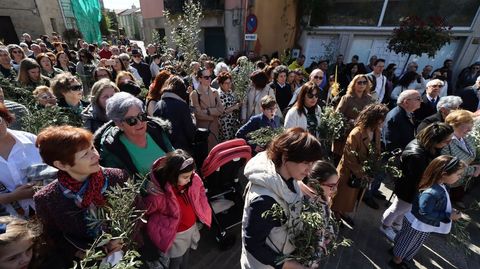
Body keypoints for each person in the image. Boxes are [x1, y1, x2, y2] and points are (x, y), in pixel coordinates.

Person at [33, 125, 129, 268]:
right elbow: (53, 237)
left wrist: (124, 238)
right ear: (62, 164)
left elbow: (137, 211)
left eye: (92, 148)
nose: (96, 155)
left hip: (129, 255)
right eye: (85, 154)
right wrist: (78, 252)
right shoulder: (47, 199)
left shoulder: (117, 177)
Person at [241, 127, 322, 269]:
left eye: (312, 163)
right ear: (285, 157)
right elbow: (253, 244)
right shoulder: (265, 201)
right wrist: (289, 264)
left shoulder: (285, 173)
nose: (310, 170)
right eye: (306, 163)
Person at [381, 123, 453, 242]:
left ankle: (396, 226)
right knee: (397, 208)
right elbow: (419, 177)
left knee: (404, 210)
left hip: (414, 188)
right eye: (447, 141)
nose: (449, 143)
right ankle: (385, 226)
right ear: (434, 140)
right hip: (408, 189)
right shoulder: (417, 155)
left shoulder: (429, 147)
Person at [389, 155, 464, 268]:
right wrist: (448, 215)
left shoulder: (442, 185)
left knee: (411, 240)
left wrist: (447, 209)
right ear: (444, 174)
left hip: (423, 223)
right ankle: (396, 260)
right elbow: (425, 212)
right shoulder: (431, 191)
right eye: (458, 174)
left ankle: (399, 252)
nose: (460, 177)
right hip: (417, 223)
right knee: (407, 241)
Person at [143, 150, 212, 269]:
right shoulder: (160, 194)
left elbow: (200, 191)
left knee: (186, 253)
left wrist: (203, 209)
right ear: (173, 174)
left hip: (190, 228)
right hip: (176, 234)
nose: (189, 179)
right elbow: (147, 211)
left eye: (191, 175)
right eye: (185, 177)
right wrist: (145, 188)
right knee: (176, 260)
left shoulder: (192, 180)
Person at [331, 104, 389, 226]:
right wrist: (360, 173)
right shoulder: (356, 133)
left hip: (363, 172)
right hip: (350, 171)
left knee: (353, 196)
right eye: (381, 119)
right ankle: (335, 212)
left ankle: (343, 212)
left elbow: (377, 150)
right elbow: (349, 157)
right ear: (374, 118)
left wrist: (374, 168)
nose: (383, 122)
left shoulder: (376, 131)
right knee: (342, 195)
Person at [95, 92, 174, 176]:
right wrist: (144, 186)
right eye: (131, 120)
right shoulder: (113, 148)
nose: (139, 123)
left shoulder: (156, 129)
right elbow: (119, 182)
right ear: (119, 124)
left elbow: (174, 156)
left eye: (142, 116)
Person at [0, 104, 43, 218]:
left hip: (49, 208)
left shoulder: (31, 140)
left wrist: (41, 186)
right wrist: (13, 196)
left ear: (5, 119)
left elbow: (57, 169)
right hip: (11, 223)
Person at [298, 161, 339, 265]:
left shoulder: (322, 198)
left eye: (337, 185)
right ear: (316, 183)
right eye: (332, 185)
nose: (335, 189)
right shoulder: (304, 204)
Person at [441, 110, 480, 208]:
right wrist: (473, 170)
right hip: (449, 183)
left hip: (461, 182)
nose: (470, 130)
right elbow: (449, 167)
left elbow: (470, 156)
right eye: (467, 127)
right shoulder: (445, 142)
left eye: (471, 126)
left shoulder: (466, 137)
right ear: (454, 125)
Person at [332, 74, 375, 162]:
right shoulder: (347, 98)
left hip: (361, 133)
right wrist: (349, 120)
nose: (362, 84)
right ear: (354, 84)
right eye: (359, 82)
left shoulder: (369, 99)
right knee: (340, 159)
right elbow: (337, 115)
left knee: (354, 159)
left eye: (364, 82)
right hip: (346, 132)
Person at [153, 76, 196, 153]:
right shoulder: (182, 106)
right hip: (182, 152)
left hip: (165, 151)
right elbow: (190, 132)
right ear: (181, 90)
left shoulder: (158, 105)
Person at [190, 68, 225, 151]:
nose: (209, 79)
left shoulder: (215, 92)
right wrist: (212, 116)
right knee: (204, 152)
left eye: (210, 77)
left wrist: (208, 111)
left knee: (214, 151)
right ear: (200, 79)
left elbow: (221, 109)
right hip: (203, 129)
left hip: (215, 128)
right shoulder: (195, 94)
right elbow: (198, 114)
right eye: (206, 77)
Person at [217, 71, 241, 141]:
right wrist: (234, 107)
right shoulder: (219, 95)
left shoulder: (229, 91)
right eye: (226, 83)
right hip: (225, 125)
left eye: (230, 82)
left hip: (233, 122)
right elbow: (221, 112)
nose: (229, 85)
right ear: (221, 84)